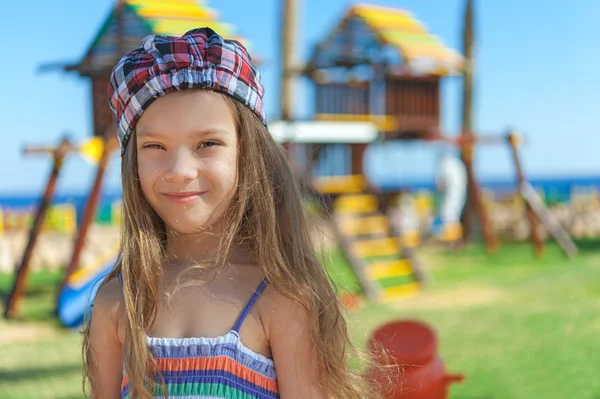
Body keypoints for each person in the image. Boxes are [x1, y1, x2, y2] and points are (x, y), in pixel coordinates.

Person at [81, 28, 379, 399]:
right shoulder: (117, 302)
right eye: (155, 145)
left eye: (207, 143)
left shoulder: (282, 298)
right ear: (132, 162)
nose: (179, 169)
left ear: (248, 154)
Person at [432, 148, 467, 241]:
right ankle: (452, 238)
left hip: (449, 196)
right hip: (456, 195)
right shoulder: (457, 165)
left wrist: (438, 189)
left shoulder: (446, 165)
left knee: (448, 214)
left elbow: (441, 184)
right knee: (451, 214)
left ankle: (450, 238)